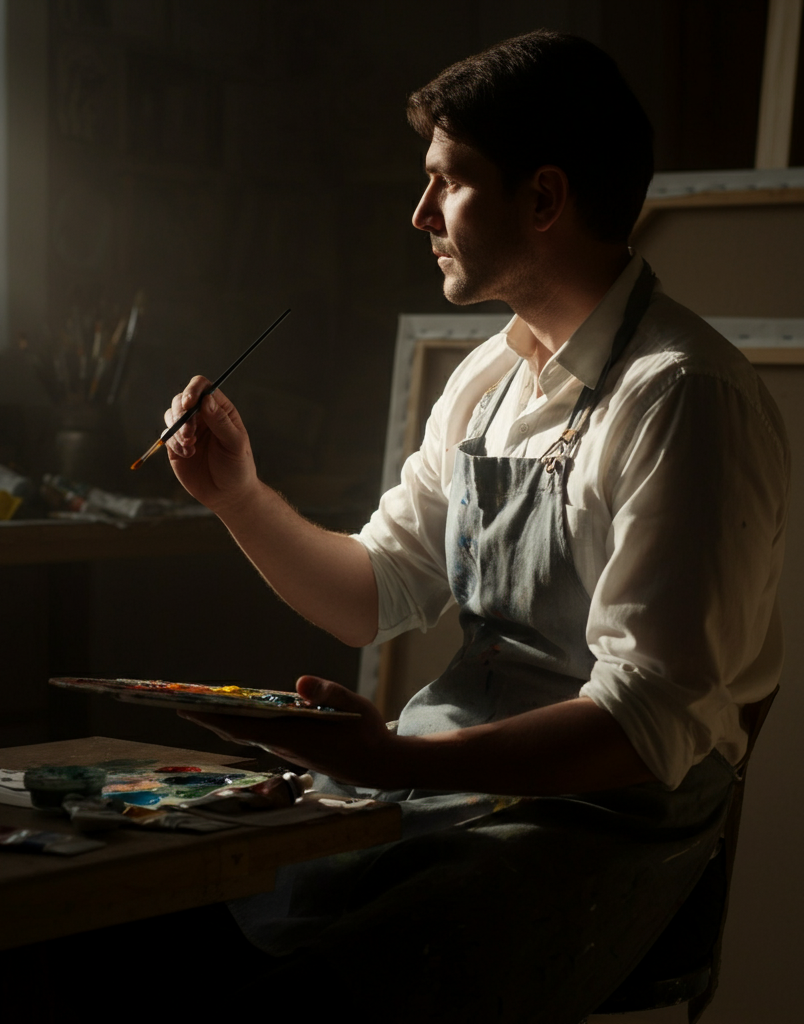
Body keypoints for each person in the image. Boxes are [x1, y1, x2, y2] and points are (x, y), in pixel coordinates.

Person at [160, 30, 788, 1023]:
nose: (419, 215)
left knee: (294, 998)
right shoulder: (488, 380)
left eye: (445, 182)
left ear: (542, 199)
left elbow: (642, 723)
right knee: (155, 921)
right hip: (444, 786)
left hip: (595, 826)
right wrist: (236, 496)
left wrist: (396, 763)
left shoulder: (682, 398)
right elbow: (371, 596)